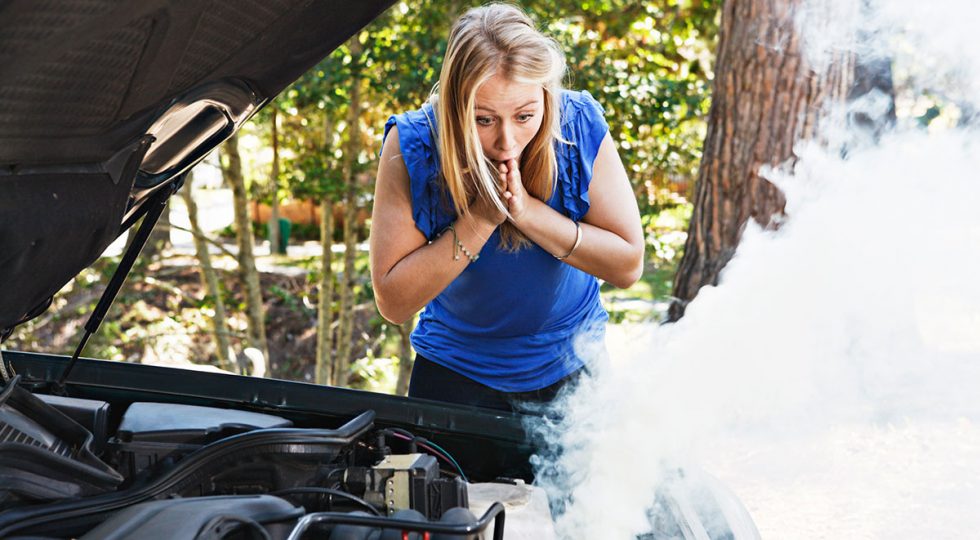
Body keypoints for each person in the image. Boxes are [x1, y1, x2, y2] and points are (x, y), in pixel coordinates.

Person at [369, 3, 643, 412]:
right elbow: (394, 303)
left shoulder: (579, 123)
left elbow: (628, 265)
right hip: (454, 378)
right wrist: (480, 219)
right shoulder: (413, 143)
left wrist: (529, 214)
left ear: (546, 97)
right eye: (483, 120)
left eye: (525, 116)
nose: (507, 142)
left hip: (574, 372)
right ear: (453, 107)